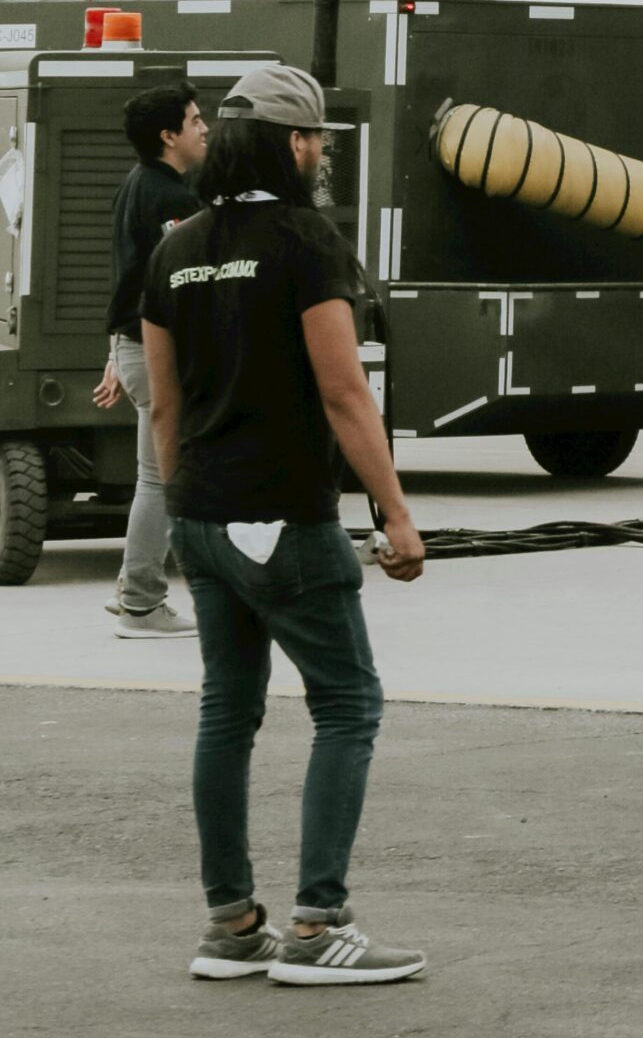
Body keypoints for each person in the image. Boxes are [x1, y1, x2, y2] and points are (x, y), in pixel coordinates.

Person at [140, 64, 429, 985]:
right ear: (294, 144)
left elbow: (163, 405)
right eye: (319, 143)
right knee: (348, 705)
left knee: (228, 712)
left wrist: (193, 506)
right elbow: (345, 389)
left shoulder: (174, 247)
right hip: (285, 519)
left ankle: (231, 925)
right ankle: (317, 926)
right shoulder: (308, 240)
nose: (324, 156)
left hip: (202, 517)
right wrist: (396, 514)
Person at [93, 83, 208, 637]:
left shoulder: (136, 186)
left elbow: (128, 278)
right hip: (154, 353)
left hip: (133, 347)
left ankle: (131, 591)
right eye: (195, 120)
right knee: (163, 482)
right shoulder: (172, 201)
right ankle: (142, 603)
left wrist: (118, 353)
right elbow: (181, 290)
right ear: (169, 136)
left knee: (152, 479)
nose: (205, 128)